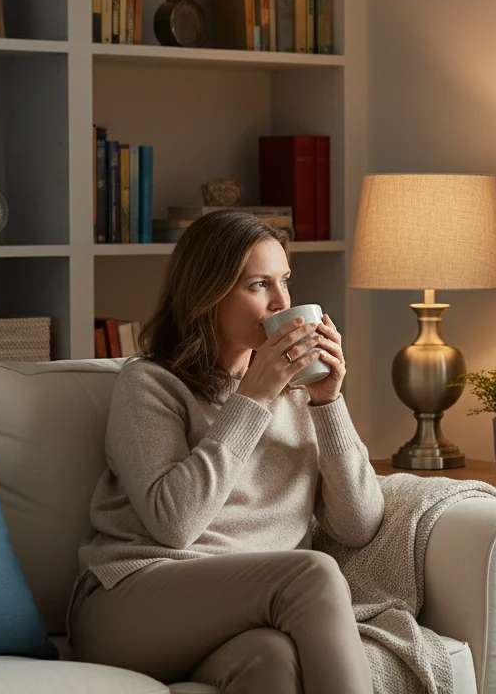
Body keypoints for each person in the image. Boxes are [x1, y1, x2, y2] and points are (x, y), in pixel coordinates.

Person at [69, 210, 382, 694]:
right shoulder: (150, 383)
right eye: (259, 285)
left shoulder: (300, 392)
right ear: (208, 293)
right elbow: (174, 524)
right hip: (128, 599)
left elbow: (358, 525)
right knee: (314, 572)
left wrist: (329, 401)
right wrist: (252, 400)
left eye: (285, 282)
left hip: (237, 610)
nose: (281, 302)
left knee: (272, 660)